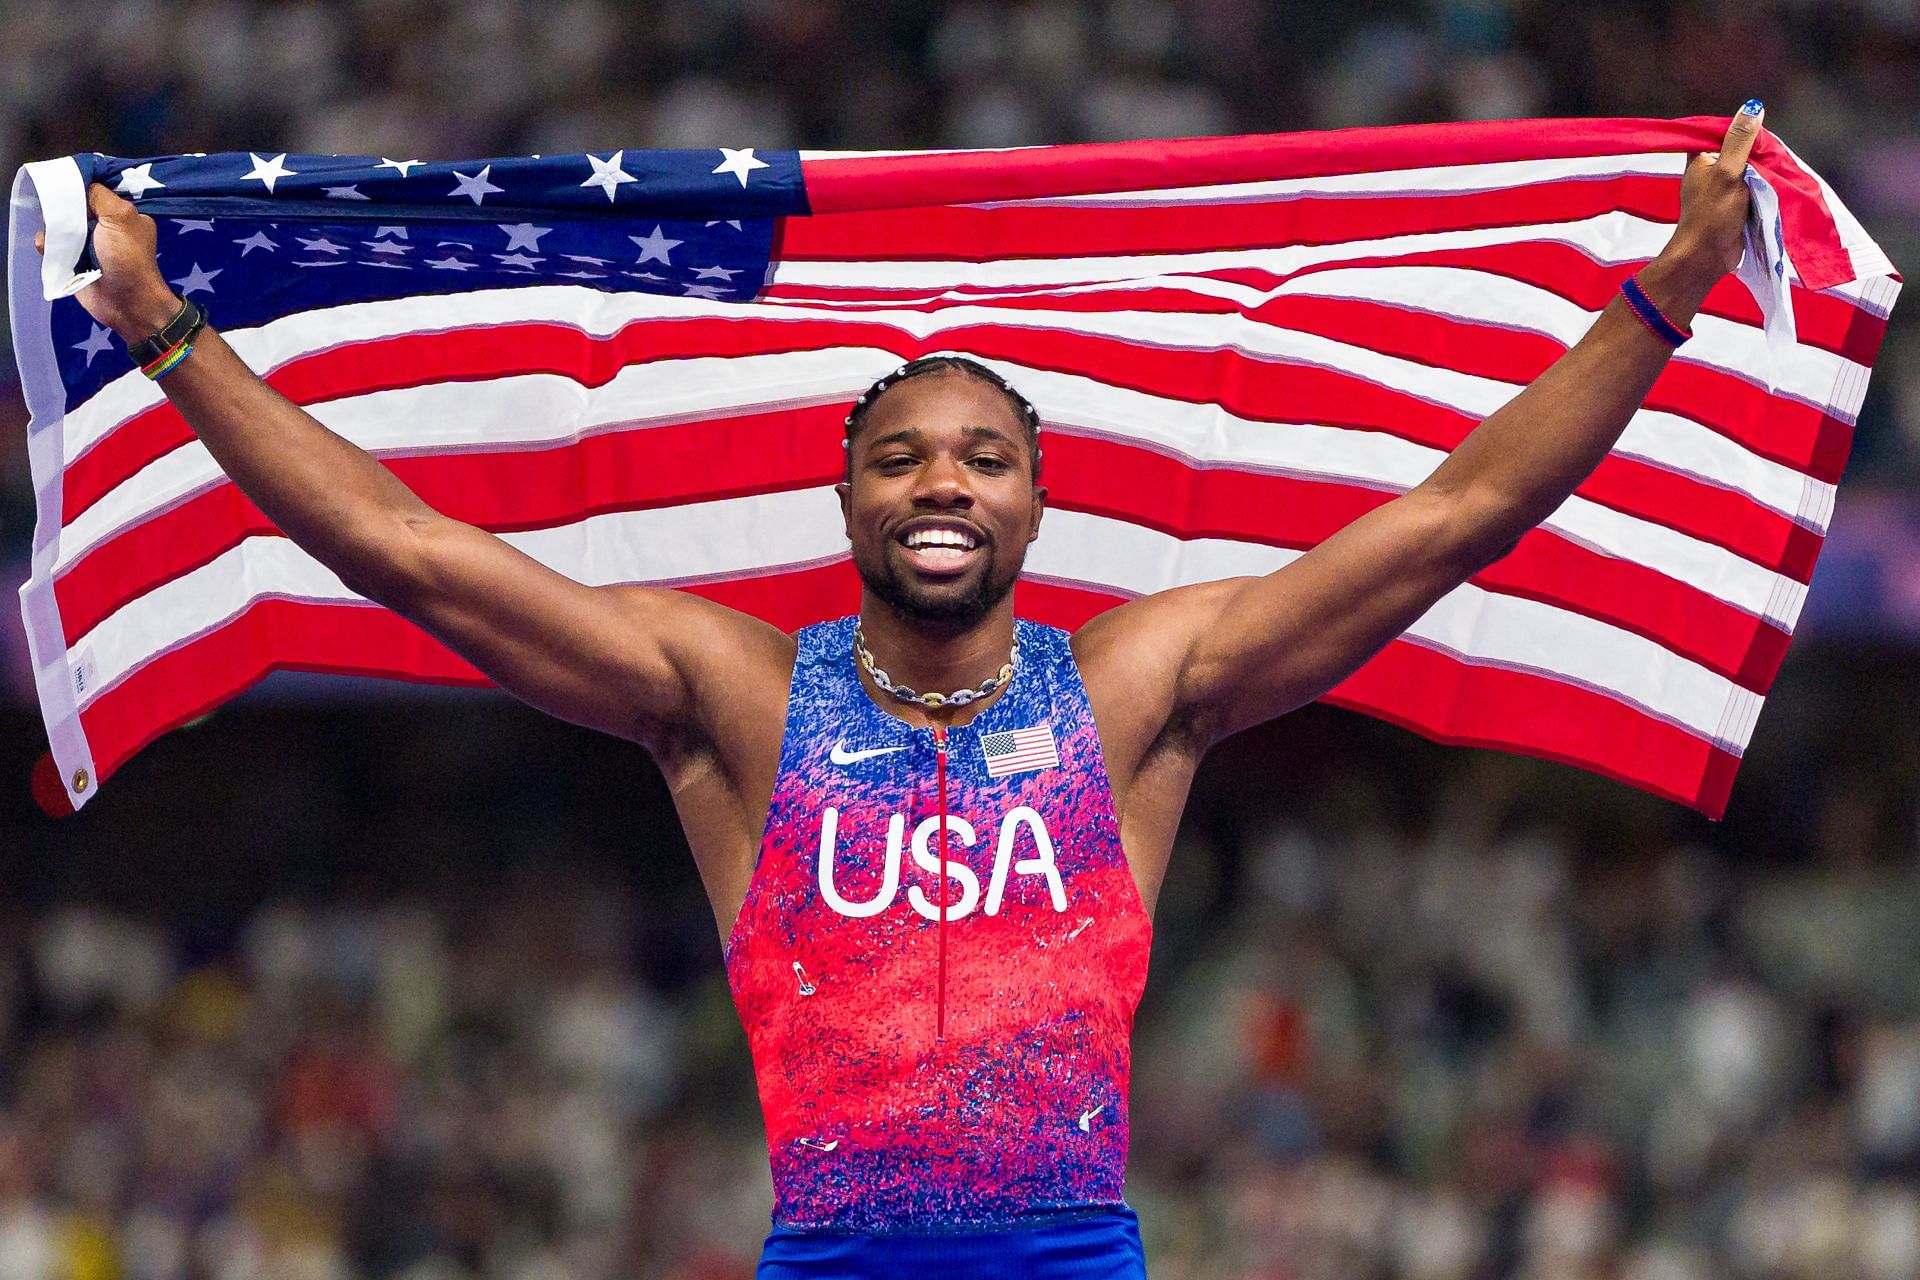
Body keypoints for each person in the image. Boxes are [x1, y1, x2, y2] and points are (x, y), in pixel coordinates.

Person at [38, 104, 1764, 1277]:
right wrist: (173, 332)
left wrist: (1659, 299)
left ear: (1035, 503)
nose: (943, 483)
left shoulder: (1139, 691)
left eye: (984, 458)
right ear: (848, 498)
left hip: (1079, 1253)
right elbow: (412, 554)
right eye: (905, 458)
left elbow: (1456, 516)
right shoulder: (731, 695)